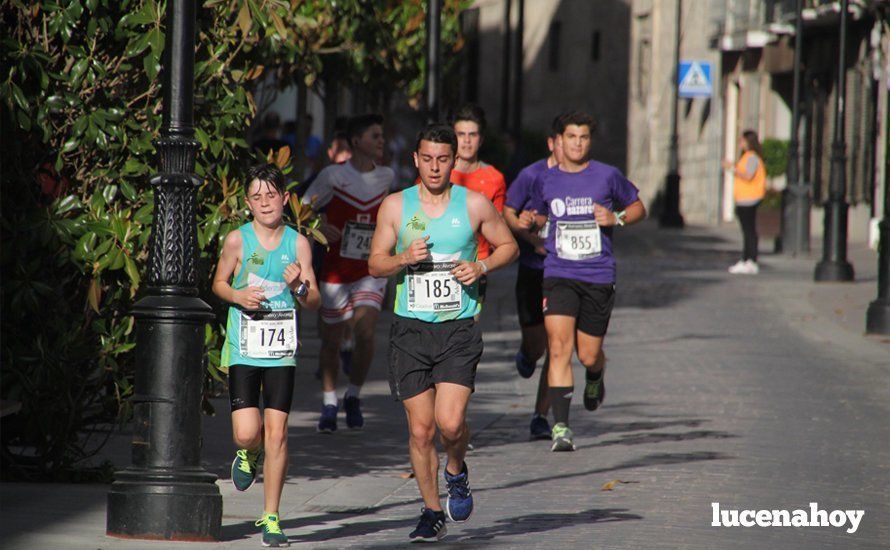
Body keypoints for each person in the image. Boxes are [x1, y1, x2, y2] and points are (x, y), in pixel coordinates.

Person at [368, 124, 518, 541]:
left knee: (450, 424)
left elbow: (509, 246)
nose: (435, 167)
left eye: (443, 159)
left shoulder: (474, 205)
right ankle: (431, 511)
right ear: (415, 159)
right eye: (428, 159)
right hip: (410, 331)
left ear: (455, 161)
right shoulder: (396, 206)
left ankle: (456, 470)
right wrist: (401, 258)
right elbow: (375, 264)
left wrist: (482, 266)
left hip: (457, 329)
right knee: (420, 430)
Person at [212, 163, 321, 547]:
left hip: (280, 351)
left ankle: (271, 516)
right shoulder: (237, 241)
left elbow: (314, 300)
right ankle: (248, 454)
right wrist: (238, 295)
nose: (265, 202)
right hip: (245, 346)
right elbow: (219, 283)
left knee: (278, 433)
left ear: (285, 199)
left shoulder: (298, 243)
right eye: (257, 197)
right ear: (247, 203)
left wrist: (300, 287)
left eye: (271, 195)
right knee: (248, 432)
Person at [528, 111, 646, 452]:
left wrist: (616, 217)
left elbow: (639, 208)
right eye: (571, 137)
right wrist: (530, 221)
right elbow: (538, 215)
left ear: (588, 141)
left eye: (583, 137)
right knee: (559, 348)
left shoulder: (607, 176)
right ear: (559, 141)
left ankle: (595, 375)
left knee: (588, 354)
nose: (577, 143)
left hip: (597, 275)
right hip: (559, 274)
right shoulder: (546, 180)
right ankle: (561, 426)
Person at [302, 114, 394, 432]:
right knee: (330, 340)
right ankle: (329, 403)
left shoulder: (387, 177)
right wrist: (318, 226)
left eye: (382, 136)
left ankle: (353, 395)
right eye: (375, 135)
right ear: (356, 141)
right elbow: (302, 208)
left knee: (365, 330)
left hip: (370, 268)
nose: (381, 141)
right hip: (336, 269)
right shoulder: (332, 176)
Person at [503, 114, 566, 440]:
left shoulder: (586, 177)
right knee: (538, 346)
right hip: (532, 270)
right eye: (564, 140)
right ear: (552, 143)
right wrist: (528, 233)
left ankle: (541, 416)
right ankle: (527, 353)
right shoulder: (531, 175)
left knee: (558, 346)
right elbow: (507, 212)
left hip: (567, 273)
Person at [450, 104, 507, 304]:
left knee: (468, 328)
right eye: (460, 134)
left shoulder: (494, 178)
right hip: (437, 261)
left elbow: (498, 227)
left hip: (475, 264)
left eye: (472, 135)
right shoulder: (435, 173)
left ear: (481, 139)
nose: (466, 141)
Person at [722, 130, 767, 275]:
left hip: (749, 198)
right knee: (747, 230)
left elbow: (748, 175)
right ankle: (746, 259)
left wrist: (733, 168)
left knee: (749, 231)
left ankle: (750, 260)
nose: (740, 143)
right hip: (744, 198)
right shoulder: (746, 157)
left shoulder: (752, 157)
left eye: (742, 141)